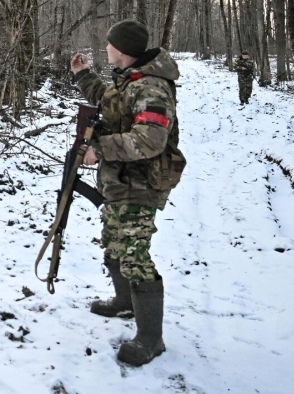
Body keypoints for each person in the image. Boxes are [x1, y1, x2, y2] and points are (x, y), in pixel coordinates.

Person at [69, 19, 181, 367]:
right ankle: (125, 302)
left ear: (122, 50)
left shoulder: (152, 88)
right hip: (120, 181)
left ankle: (151, 338)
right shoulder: (130, 79)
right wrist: (83, 76)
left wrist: (99, 149)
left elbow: (150, 140)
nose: (106, 48)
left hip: (140, 184)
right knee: (115, 242)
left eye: (110, 44)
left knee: (135, 256)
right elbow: (109, 102)